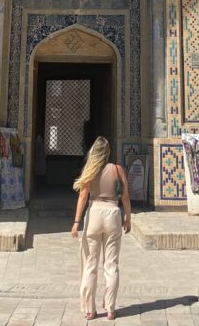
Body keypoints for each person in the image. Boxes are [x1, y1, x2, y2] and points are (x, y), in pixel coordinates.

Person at [71, 137, 131, 321]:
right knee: (111, 265)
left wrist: (76, 222)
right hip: (113, 212)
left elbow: (82, 197)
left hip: (94, 213)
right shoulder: (117, 169)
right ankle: (111, 309)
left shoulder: (90, 170)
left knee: (90, 265)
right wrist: (128, 217)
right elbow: (125, 196)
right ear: (108, 152)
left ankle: (90, 310)